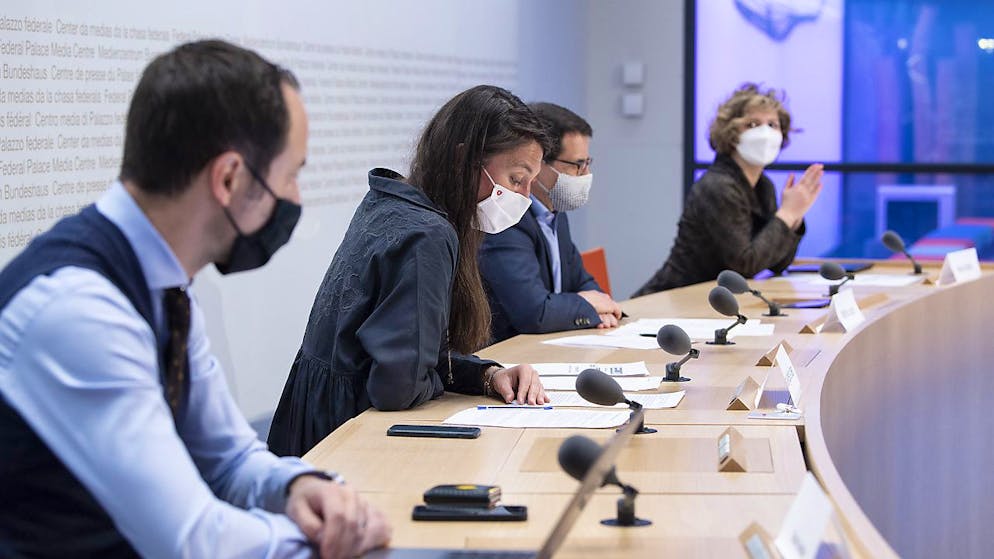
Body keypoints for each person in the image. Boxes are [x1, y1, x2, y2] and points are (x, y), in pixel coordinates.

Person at [0, 40, 390, 558]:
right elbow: (192, 542)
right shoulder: (79, 312)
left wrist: (298, 487)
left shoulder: (164, 286)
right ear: (229, 178)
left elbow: (227, 459)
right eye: (291, 175)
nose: (295, 198)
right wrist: (330, 537)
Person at [268, 85, 551, 457]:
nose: (525, 197)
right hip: (349, 435)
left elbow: (414, 357)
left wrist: (485, 374)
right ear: (464, 160)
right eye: (516, 179)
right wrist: (445, 376)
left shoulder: (393, 201)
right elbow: (399, 387)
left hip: (316, 420)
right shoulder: (427, 234)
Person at [633, 83, 824, 296]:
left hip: (711, 300)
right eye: (752, 124)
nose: (765, 133)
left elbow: (777, 263)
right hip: (671, 299)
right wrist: (786, 214)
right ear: (731, 134)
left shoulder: (764, 186)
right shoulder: (718, 186)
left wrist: (795, 217)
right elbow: (744, 265)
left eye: (773, 124)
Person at [479, 102, 622, 343]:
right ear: (539, 164)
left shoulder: (554, 212)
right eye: (577, 165)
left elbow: (581, 281)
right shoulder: (506, 218)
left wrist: (600, 305)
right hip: (509, 353)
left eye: (588, 163)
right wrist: (588, 305)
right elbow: (534, 312)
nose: (586, 175)